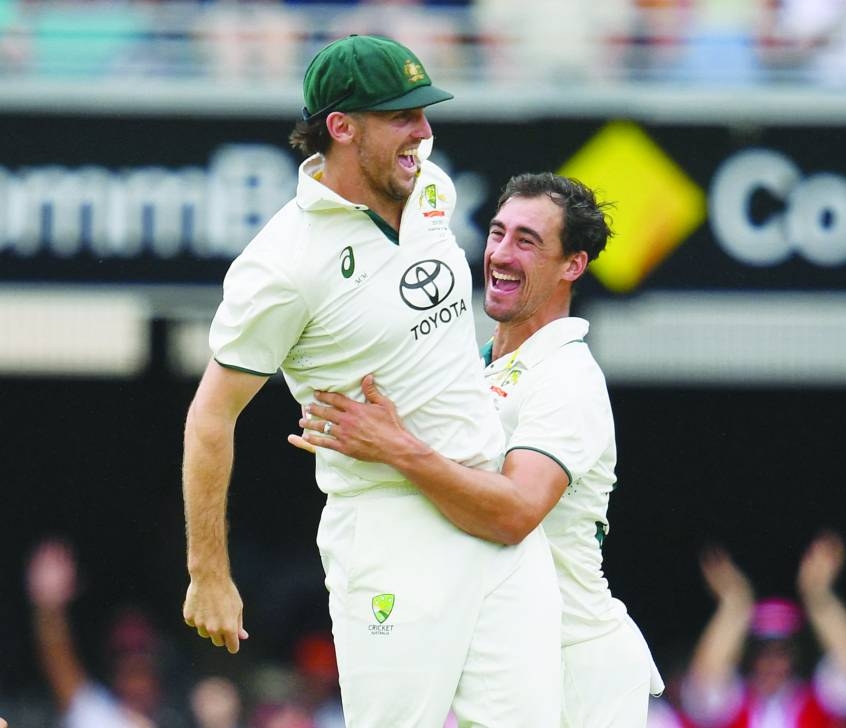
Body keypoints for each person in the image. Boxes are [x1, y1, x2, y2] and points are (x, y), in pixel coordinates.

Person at [180, 33, 562, 728]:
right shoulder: (282, 265)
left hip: (491, 511)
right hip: (390, 535)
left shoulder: (432, 187)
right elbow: (210, 416)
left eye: (425, 113)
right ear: (342, 126)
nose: (424, 131)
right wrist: (209, 571)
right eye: (402, 117)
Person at [291, 172, 664, 726]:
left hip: (574, 668)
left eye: (527, 241)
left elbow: (514, 512)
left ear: (573, 265)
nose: (501, 254)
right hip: (503, 655)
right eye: (497, 232)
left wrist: (395, 448)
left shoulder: (567, 377)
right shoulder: (475, 364)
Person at [680, 531, 846, 728]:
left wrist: (818, 596)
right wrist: (734, 605)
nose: (771, 663)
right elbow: (706, 675)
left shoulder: (819, 703)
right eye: (762, 652)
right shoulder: (734, 705)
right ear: (749, 656)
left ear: (796, 655)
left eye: (781, 652)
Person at [26, 539, 181, 728]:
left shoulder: (186, 713)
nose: (135, 683)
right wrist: (49, 609)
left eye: (141, 668)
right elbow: (57, 659)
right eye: (127, 669)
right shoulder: (98, 714)